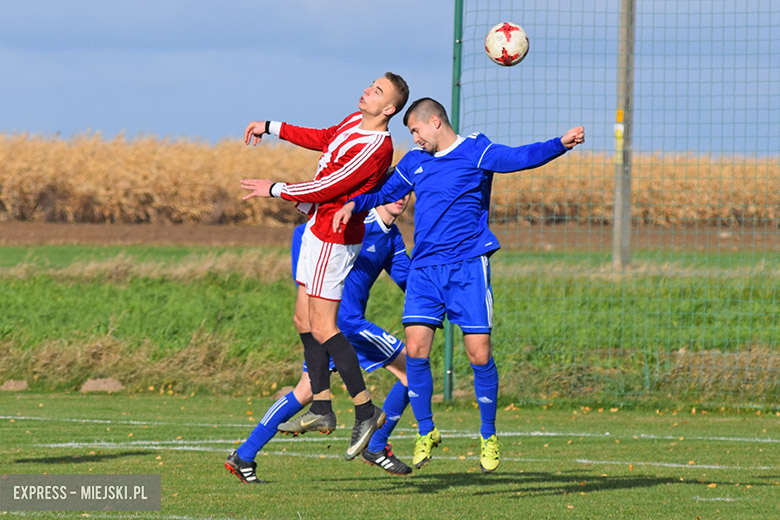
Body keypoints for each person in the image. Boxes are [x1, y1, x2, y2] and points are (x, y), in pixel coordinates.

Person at [333, 97, 585, 473]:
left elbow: (518, 158)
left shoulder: (476, 150)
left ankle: (488, 435)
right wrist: (354, 203)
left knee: (478, 354)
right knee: (416, 351)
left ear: (435, 122)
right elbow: (383, 193)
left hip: (467, 267)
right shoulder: (415, 163)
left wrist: (558, 145)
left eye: (416, 131)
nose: (415, 139)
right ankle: (426, 431)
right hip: (424, 271)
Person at [239, 73, 410, 461]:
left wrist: (276, 188)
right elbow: (323, 136)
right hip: (318, 228)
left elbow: (329, 187)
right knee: (303, 321)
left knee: (324, 326)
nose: (368, 89)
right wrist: (271, 127)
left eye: (378, 90)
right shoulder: (354, 121)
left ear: (389, 110)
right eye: (372, 84)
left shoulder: (376, 147)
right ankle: (321, 405)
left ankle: (364, 411)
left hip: (334, 238)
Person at [225, 196, 413, 483]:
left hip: (333, 326)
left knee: (306, 391)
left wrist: (441, 291)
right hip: (345, 323)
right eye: (393, 191)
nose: (400, 197)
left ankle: (244, 455)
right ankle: (375, 447)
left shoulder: (393, 237)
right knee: (413, 371)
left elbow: (408, 281)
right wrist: (305, 286)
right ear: (379, 192)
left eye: (406, 192)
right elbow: (303, 232)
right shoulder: (359, 218)